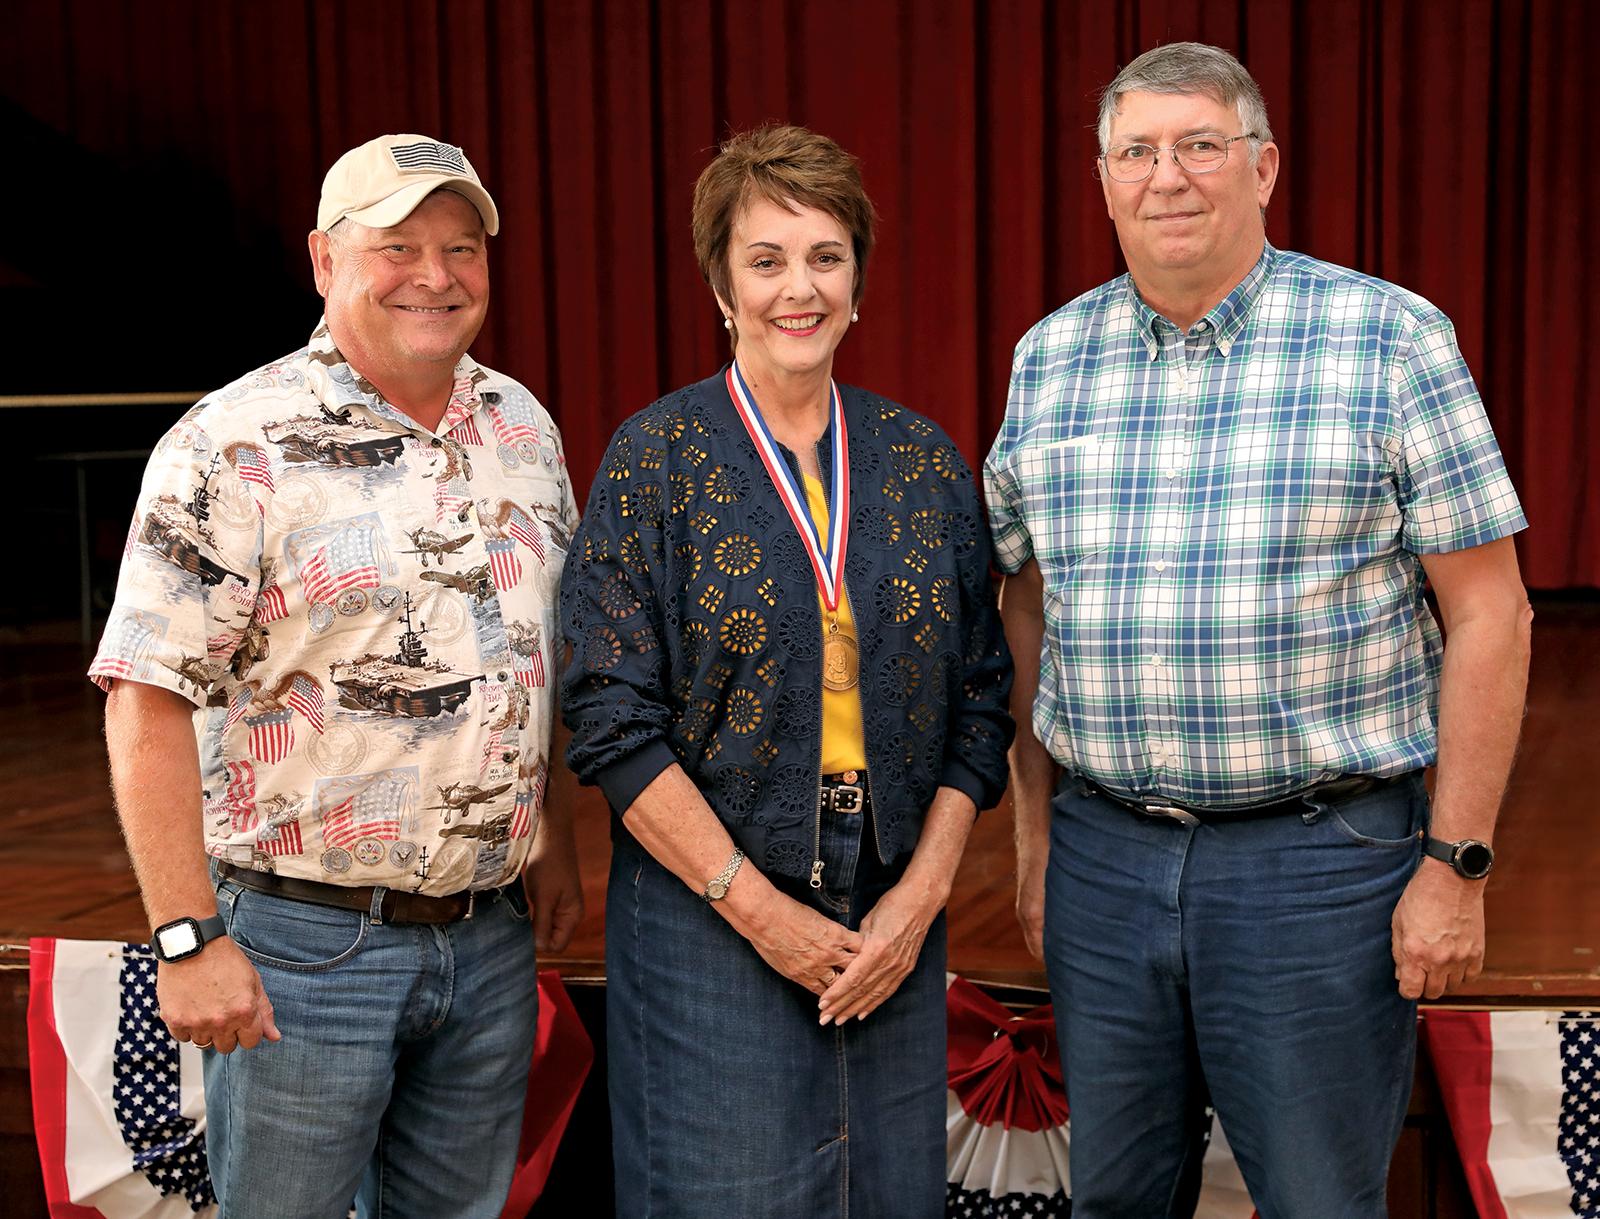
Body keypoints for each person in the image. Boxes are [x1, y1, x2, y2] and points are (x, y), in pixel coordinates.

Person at [984, 43, 1531, 1218]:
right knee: (1113, 1202)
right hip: (1105, 859)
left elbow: (1491, 610)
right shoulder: (1050, 358)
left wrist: (1456, 865)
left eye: (1198, 145)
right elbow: (1023, 606)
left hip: (1317, 867)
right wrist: (1036, 840)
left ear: (1264, 166)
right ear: (1103, 179)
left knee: (1318, 1203)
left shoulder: (1387, 340)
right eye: (1135, 151)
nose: (1165, 176)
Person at [91, 133, 583, 1218]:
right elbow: (144, 699)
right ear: (324, 261)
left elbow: (532, 654)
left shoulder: (522, 427)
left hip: (489, 939)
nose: (436, 275)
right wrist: (185, 937)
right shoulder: (229, 442)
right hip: (302, 948)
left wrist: (551, 838)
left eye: (461, 248)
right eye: (397, 246)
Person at [560, 124, 1013, 1216]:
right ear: (720, 284)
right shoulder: (654, 460)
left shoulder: (921, 460)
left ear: (858, 278)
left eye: (824, 256)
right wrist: (759, 911)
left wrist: (919, 899)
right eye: (765, 260)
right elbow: (610, 722)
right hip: (708, 920)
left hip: (887, 916)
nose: (796, 289)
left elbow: (982, 697)